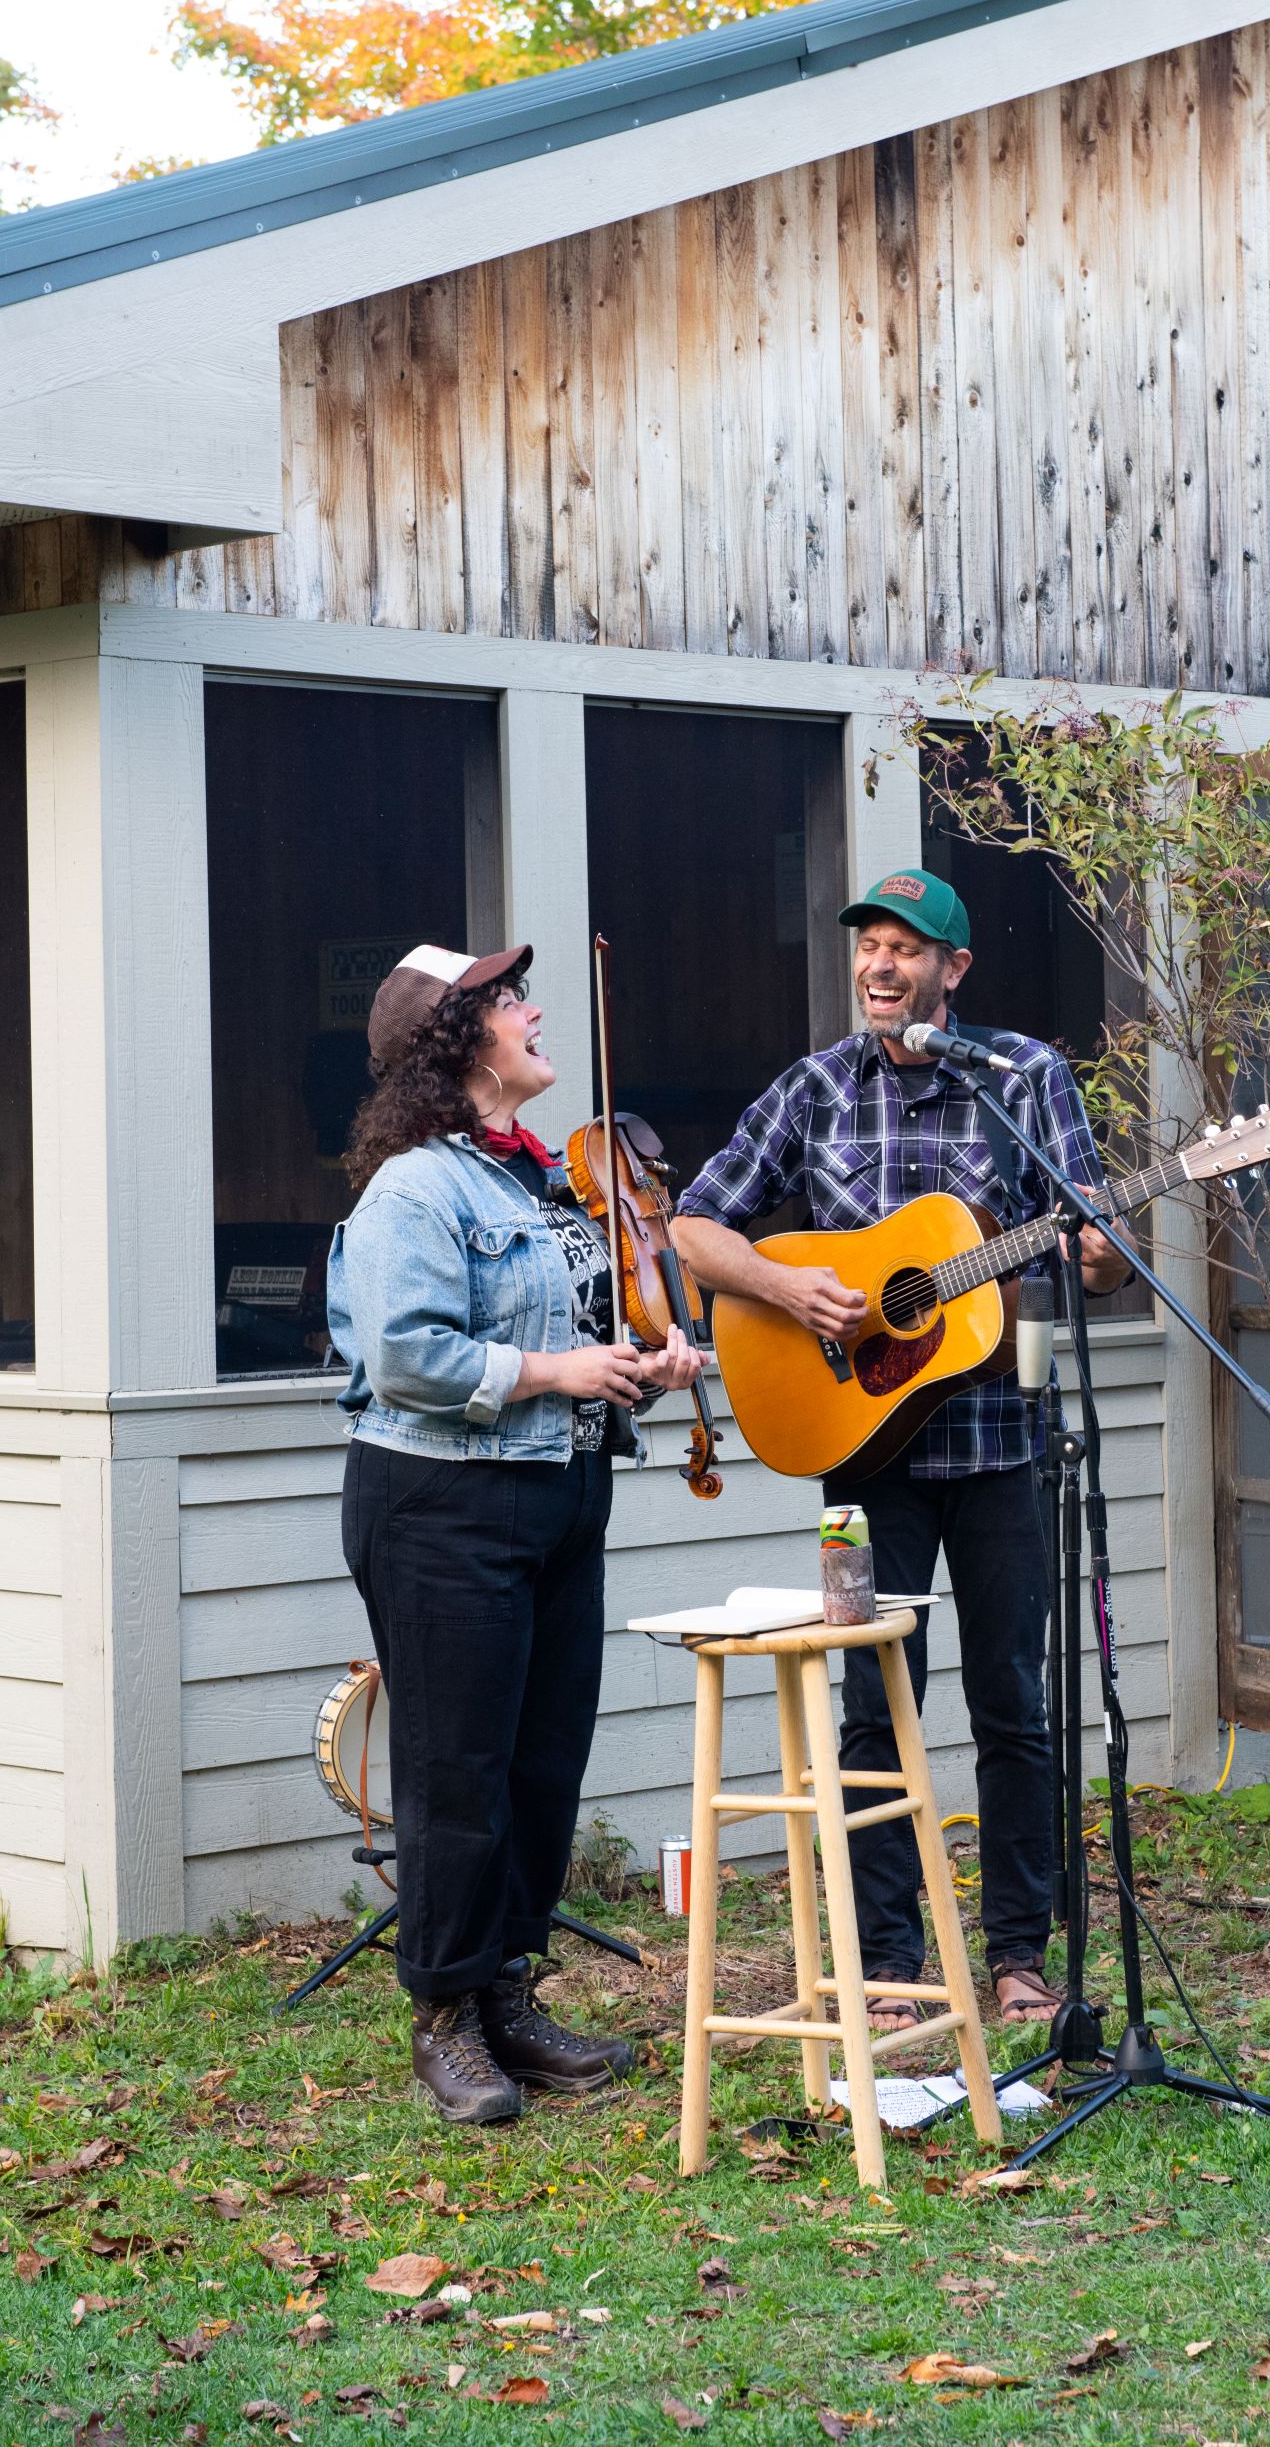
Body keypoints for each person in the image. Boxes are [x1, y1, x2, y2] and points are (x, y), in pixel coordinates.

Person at [672, 869, 1124, 2032]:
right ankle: (885, 1963)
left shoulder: (1022, 1078)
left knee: (1013, 1702)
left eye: (905, 949)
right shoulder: (812, 1090)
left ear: (952, 972)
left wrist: (1094, 1250)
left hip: (998, 1448)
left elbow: (1098, 1249)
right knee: (876, 1710)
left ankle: (1020, 1954)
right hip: (860, 1457)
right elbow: (691, 1224)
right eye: (868, 945)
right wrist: (787, 1285)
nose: (880, 966)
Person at [329, 940, 705, 2122]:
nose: (535, 1013)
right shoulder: (415, 1189)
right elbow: (403, 1356)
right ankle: (442, 2020)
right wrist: (555, 1367)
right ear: (457, 1046)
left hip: (556, 1494)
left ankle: (506, 1990)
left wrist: (639, 1365)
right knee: (456, 1771)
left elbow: (573, 1341)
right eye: (506, 1004)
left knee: (542, 1765)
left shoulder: (535, 1181)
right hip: (442, 1505)